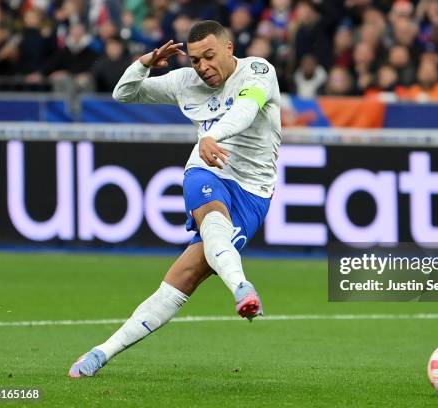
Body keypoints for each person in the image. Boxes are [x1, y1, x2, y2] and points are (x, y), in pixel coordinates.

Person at [68, 19, 281, 378]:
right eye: (196, 60)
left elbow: (245, 111)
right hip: (206, 169)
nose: (203, 67)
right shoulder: (186, 82)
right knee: (212, 218)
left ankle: (103, 350)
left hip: (253, 190)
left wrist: (213, 134)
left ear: (229, 49)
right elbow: (124, 93)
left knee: (181, 279)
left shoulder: (259, 71)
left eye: (210, 56)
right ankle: (242, 288)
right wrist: (146, 62)